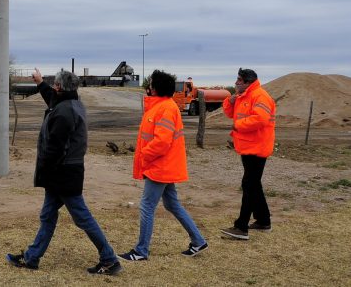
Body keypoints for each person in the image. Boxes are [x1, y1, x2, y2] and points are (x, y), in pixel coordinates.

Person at [6, 68, 122, 276]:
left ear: (59, 87)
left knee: (82, 217)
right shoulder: (70, 103)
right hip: (64, 172)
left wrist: (44, 170)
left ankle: (109, 259)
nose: (53, 87)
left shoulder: (65, 112)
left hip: (64, 173)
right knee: (48, 215)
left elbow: (56, 148)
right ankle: (32, 258)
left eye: (54, 84)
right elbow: (52, 99)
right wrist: (40, 83)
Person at [118, 70, 208, 262]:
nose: (148, 86)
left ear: (156, 88)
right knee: (171, 204)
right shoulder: (160, 107)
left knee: (147, 207)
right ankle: (198, 240)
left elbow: (162, 142)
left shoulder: (166, 108)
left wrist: (144, 155)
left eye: (150, 83)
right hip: (162, 166)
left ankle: (141, 251)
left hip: (160, 167)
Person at [220, 68, 276, 240]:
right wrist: (230, 100)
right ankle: (263, 220)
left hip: (257, 147)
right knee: (253, 184)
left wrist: (239, 125)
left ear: (248, 82)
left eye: (239, 80)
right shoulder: (243, 96)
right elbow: (230, 113)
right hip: (248, 147)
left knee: (249, 185)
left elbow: (260, 119)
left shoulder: (260, 96)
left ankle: (241, 227)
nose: (236, 82)